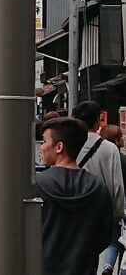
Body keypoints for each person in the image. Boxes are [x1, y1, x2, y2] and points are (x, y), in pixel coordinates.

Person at [36, 117, 113, 275]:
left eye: (43, 141)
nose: (41, 147)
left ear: (59, 147)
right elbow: (104, 237)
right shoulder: (98, 188)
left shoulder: (37, 185)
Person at [73, 102, 125, 222]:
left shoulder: (69, 144)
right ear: (97, 120)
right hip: (102, 214)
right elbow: (117, 186)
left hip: (74, 213)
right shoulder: (110, 148)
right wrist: (118, 214)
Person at [99, 125, 126, 275]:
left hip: (105, 204)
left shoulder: (96, 155)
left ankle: (107, 265)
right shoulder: (121, 159)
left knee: (113, 241)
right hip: (121, 203)